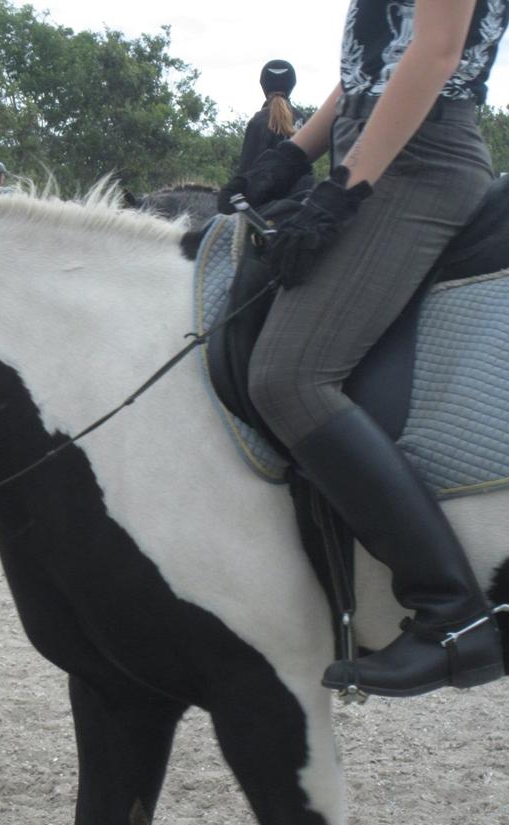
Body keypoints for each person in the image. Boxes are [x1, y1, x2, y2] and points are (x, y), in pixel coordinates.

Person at [218, 0, 508, 698]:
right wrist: (288, 162)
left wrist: (343, 193)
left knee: (290, 378)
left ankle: (453, 614)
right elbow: (368, 75)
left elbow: (435, 56)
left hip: (420, 167)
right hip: (372, 149)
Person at [233, 60, 312, 197]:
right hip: (302, 201)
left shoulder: (257, 122)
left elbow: (246, 170)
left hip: (264, 205)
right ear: (292, 85)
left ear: (264, 87)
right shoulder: (302, 119)